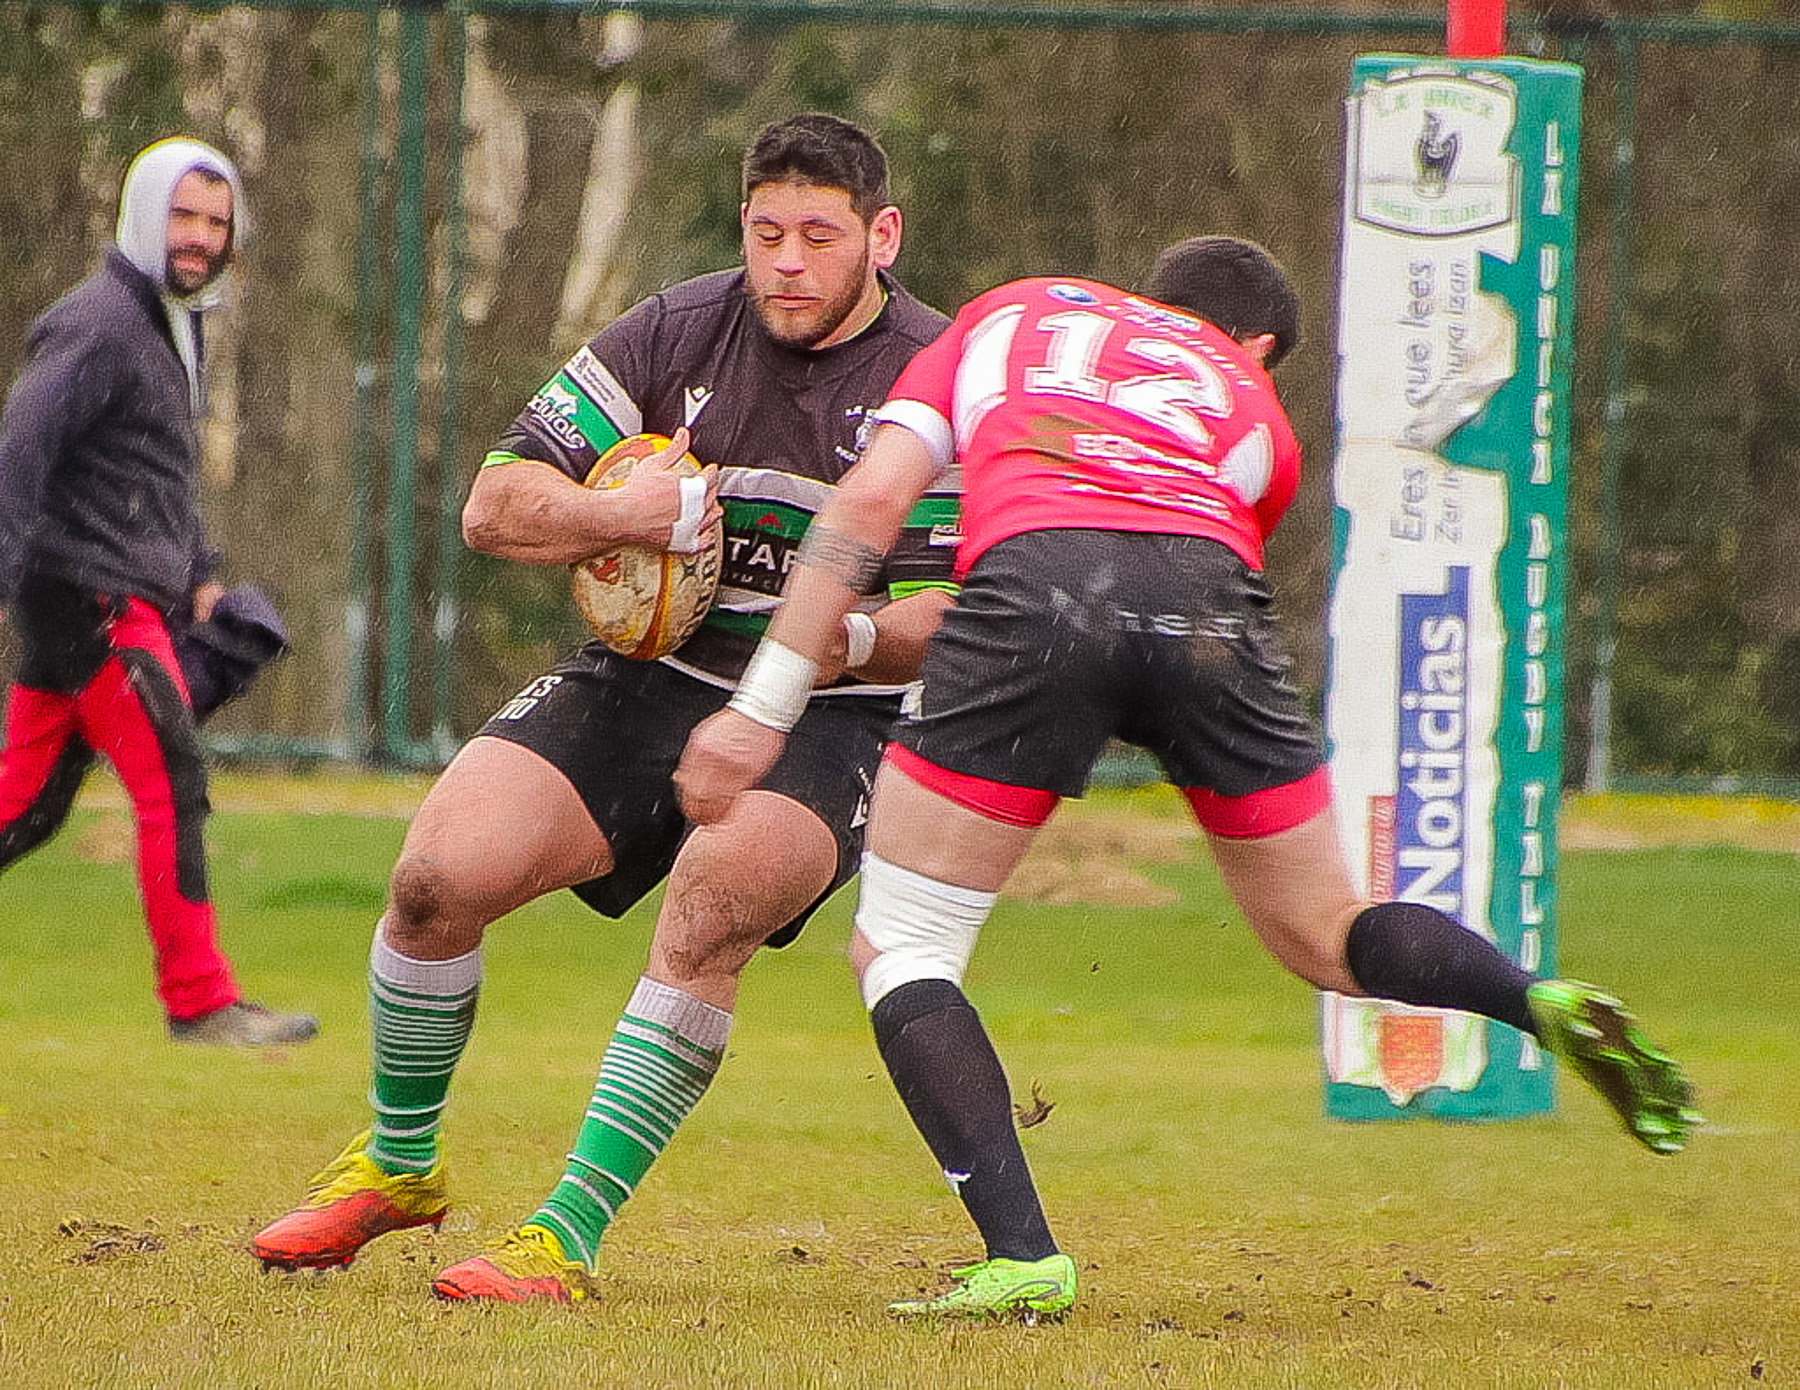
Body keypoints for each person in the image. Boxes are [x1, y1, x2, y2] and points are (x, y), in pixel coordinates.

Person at [675, 236, 1702, 1320]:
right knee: (1325, 929)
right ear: (1258, 345)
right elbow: (1194, 547)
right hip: (1206, 595)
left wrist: (761, 708)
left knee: (906, 942)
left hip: (1036, 581)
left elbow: (868, 504)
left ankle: (1023, 1252)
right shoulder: (1254, 407)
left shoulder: (1010, 311)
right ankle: (1527, 995)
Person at [251, 113, 957, 1301]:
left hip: (839, 709)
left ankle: (563, 1236)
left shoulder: (934, 377)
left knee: (714, 897)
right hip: (647, 679)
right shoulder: (678, 329)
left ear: (882, 237)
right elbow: (493, 502)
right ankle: (399, 1164)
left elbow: (950, 617)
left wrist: (838, 641)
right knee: (435, 880)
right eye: (766, 232)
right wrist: (622, 517)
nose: (787, 262)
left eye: (820, 237)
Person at [0, 137, 317, 1049]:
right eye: (184, 216)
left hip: (120, 596)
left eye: (217, 223)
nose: (202, 238)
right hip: (90, 605)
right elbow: (20, 455)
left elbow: (150, 477)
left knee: (25, 808)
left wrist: (202, 577)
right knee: (171, 781)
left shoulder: (170, 325)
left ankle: (202, 1000)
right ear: (143, 216)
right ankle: (200, 1001)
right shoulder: (98, 323)